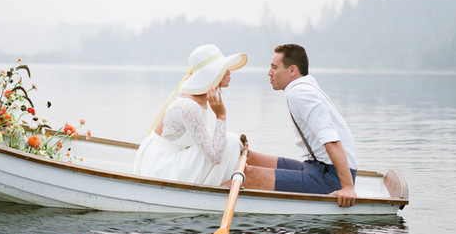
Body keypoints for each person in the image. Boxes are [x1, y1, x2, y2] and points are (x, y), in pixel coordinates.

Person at [244, 44, 357, 208]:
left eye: (274, 67)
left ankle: (206, 198)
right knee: (249, 157)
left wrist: (347, 187)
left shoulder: (301, 93)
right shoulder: (302, 88)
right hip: (317, 166)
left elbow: (331, 139)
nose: (269, 73)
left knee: (249, 175)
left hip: (332, 177)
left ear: (292, 70)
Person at [134, 44, 248, 186]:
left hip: (170, 159)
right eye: (224, 68)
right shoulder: (189, 106)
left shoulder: (199, 99)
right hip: (162, 167)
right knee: (230, 141)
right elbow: (215, 157)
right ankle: (228, 185)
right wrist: (221, 116)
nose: (229, 72)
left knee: (231, 141)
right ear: (214, 73)